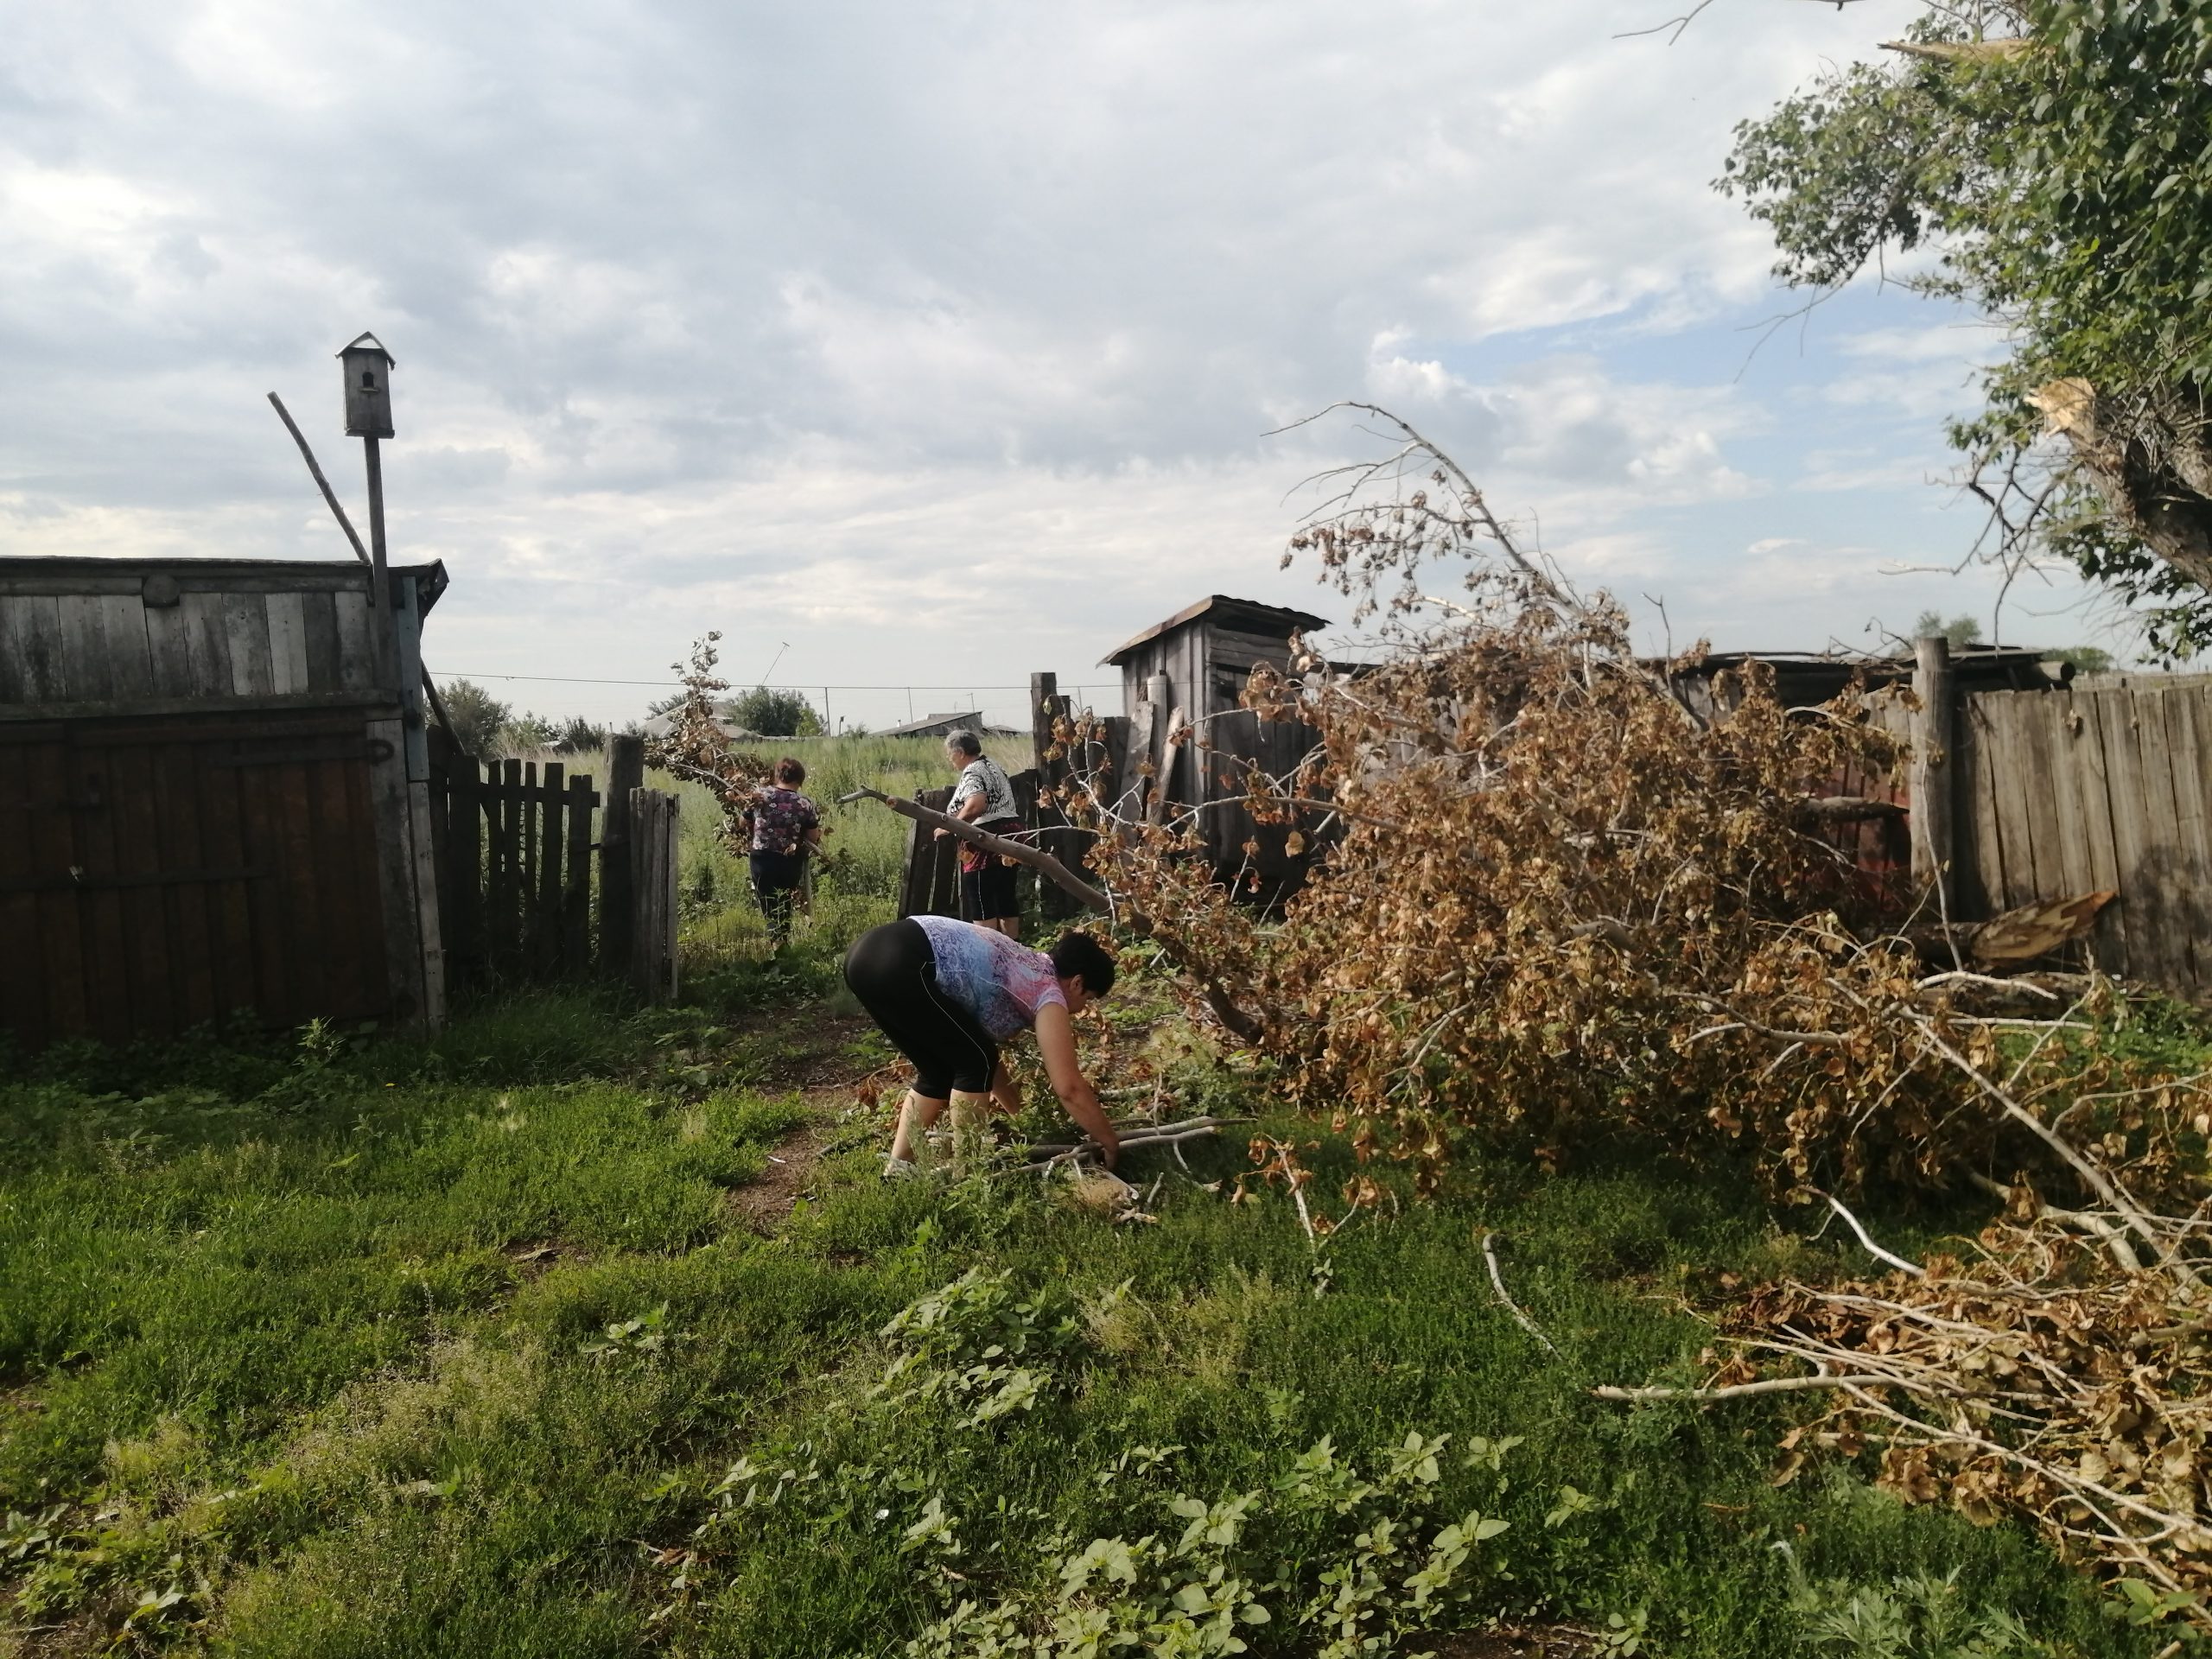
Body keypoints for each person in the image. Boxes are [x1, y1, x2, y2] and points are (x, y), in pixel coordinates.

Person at [842, 918, 1119, 1179]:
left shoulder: (1028, 965)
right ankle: (969, 1175)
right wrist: (1109, 1140)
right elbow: (1069, 1087)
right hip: (903, 962)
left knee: (939, 1071)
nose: (1083, 1010)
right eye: (1090, 999)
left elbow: (984, 1055)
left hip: (866, 955)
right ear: (1078, 982)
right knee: (974, 1061)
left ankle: (897, 1173)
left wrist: (1023, 1122)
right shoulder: (1048, 992)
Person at [938, 729, 1026, 938]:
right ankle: (1013, 952)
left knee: (981, 898)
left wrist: (950, 826)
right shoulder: (994, 765)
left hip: (985, 839)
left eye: (950, 754)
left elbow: (976, 804)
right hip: (1010, 835)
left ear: (960, 752)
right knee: (1006, 897)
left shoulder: (972, 771)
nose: (950, 759)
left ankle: (990, 956)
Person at [743, 757, 822, 949]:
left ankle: (778, 945)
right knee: (784, 901)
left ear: (777, 775)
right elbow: (813, 837)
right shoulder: (804, 804)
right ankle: (782, 943)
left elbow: (742, 823)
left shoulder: (759, 796)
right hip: (789, 861)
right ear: (800, 779)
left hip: (762, 859)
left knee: (768, 903)